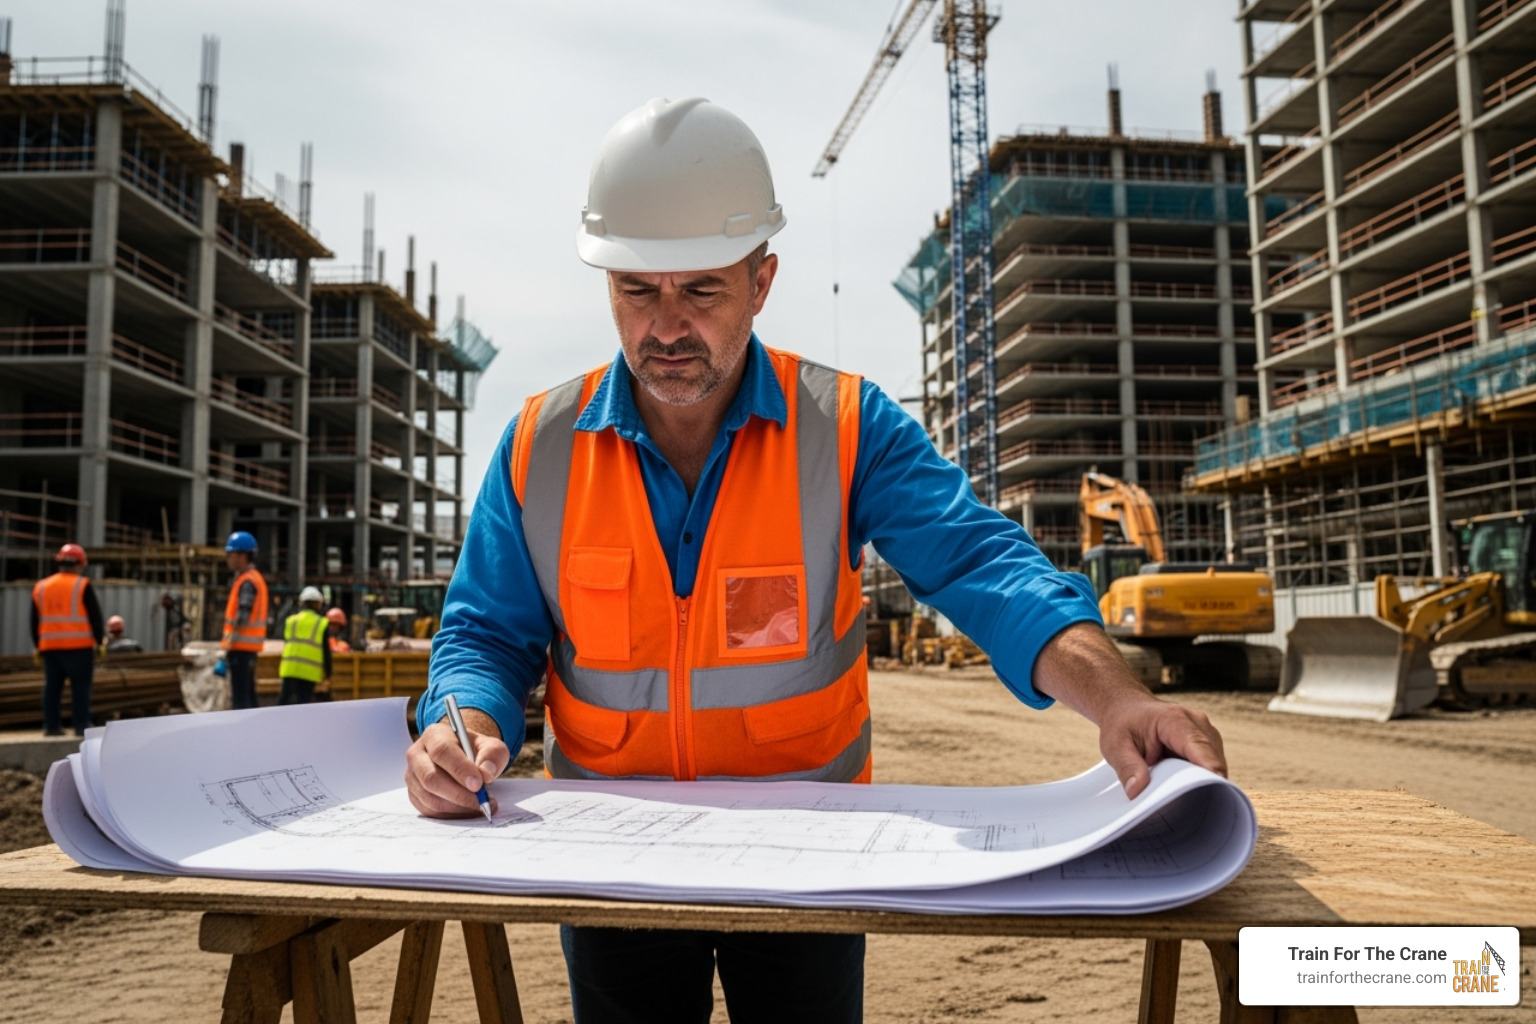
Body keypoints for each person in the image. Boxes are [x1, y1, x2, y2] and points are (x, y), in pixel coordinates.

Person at [407, 98, 1227, 1024]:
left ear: (762, 281)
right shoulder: (536, 448)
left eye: (703, 290)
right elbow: (485, 631)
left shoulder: (844, 428)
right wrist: (463, 721)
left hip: (811, 865)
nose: (667, 325)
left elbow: (982, 566)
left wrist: (1121, 699)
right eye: (639, 289)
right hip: (611, 865)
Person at [30, 543, 105, 736]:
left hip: (50, 647)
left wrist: (38, 645)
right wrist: (100, 641)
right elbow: (94, 616)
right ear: (80, 564)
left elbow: (34, 620)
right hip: (79, 647)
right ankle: (81, 726)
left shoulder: (41, 587)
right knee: (80, 688)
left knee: (52, 688)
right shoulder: (82, 585)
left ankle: (51, 727)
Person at [220, 531, 268, 710]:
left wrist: (228, 644)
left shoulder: (247, 582)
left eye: (231, 555)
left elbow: (243, 615)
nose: (228, 559)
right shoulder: (252, 579)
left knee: (241, 699)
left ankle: (242, 734)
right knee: (248, 695)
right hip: (247, 650)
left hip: (240, 649)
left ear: (243, 556)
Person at [278, 587, 332, 705]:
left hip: (289, 668)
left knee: (284, 702)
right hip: (308, 671)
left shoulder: (291, 621)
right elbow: (326, 651)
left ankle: (277, 723)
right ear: (318, 603)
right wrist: (328, 673)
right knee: (304, 704)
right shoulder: (321, 623)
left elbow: (286, 640)